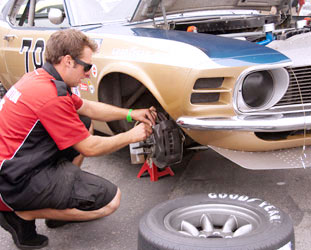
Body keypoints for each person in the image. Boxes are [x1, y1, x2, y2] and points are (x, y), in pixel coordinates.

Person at [0, 29, 156, 249]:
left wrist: (130, 113)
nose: (89, 73)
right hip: (12, 181)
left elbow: (88, 107)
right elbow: (90, 147)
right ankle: (19, 213)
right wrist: (131, 135)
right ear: (68, 61)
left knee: (84, 121)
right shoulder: (50, 95)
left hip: (16, 164)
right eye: (87, 66)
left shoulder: (41, 78)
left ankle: (57, 208)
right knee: (111, 202)